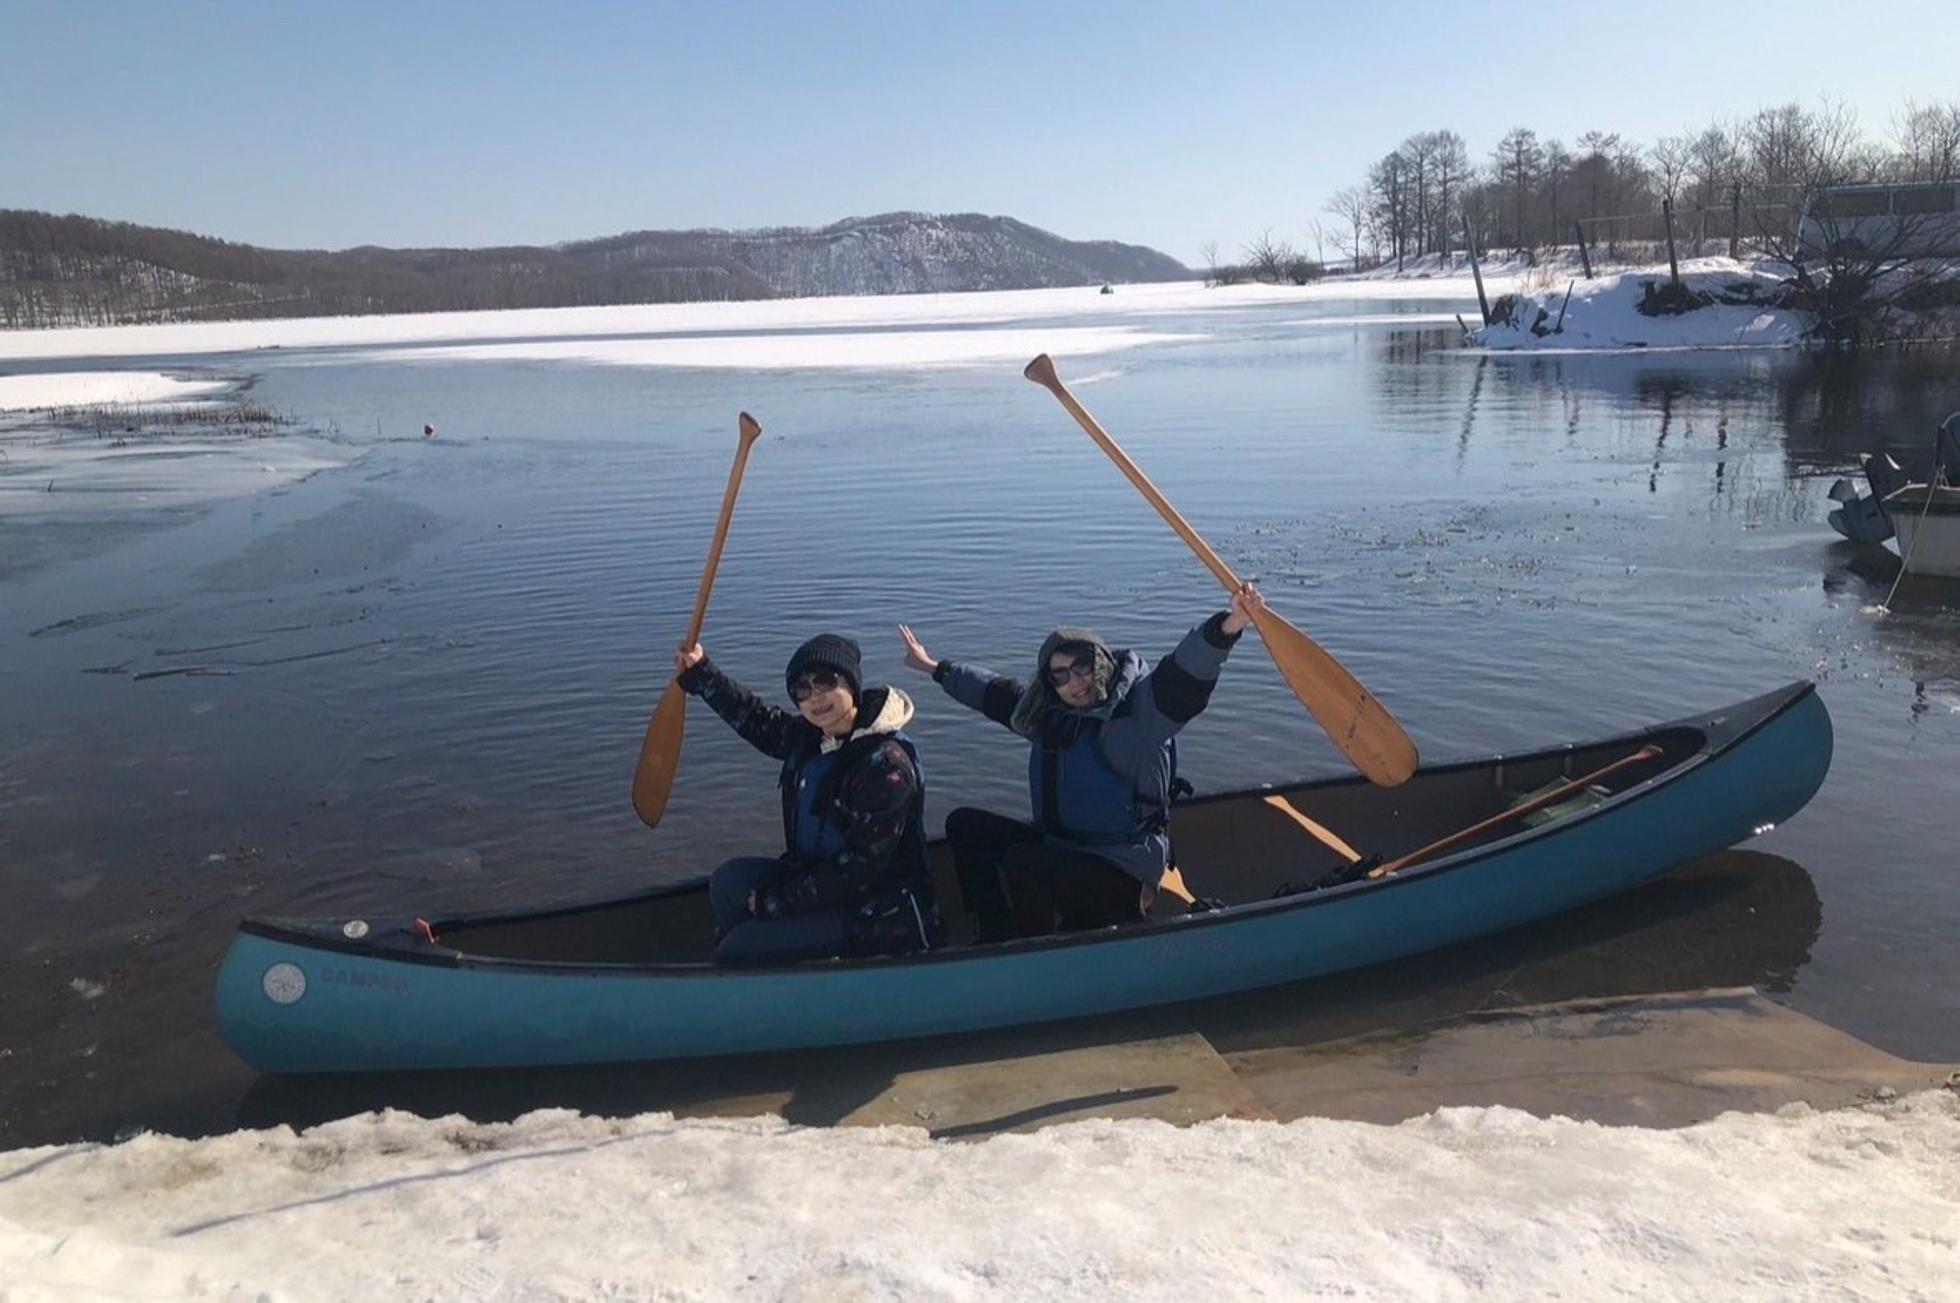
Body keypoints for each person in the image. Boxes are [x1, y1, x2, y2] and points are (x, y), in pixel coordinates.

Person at [897, 584, 1264, 940]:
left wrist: (1228, 624)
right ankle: (994, 930)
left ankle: (1035, 950)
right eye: (1060, 675)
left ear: (1101, 664)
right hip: (1067, 851)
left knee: (1025, 861)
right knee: (965, 825)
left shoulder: (1142, 715)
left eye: (1082, 667)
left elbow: (1185, 675)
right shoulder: (1045, 716)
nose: (1074, 682)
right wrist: (934, 667)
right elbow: (991, 692)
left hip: (1124, 873)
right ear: (1050, 684)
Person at [675, 633, 940, 963]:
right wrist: (702, 674)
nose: (815, 697)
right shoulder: (814, 738)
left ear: (851, 684)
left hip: (881, 912)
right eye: (802, 690)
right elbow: (757, 720)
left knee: (740, 947)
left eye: (825, 682)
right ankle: (758, 966)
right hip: (823, 886)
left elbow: (861, 867)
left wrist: (775, 902)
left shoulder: (886, 765)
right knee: (729, 883)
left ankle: (742, 964)